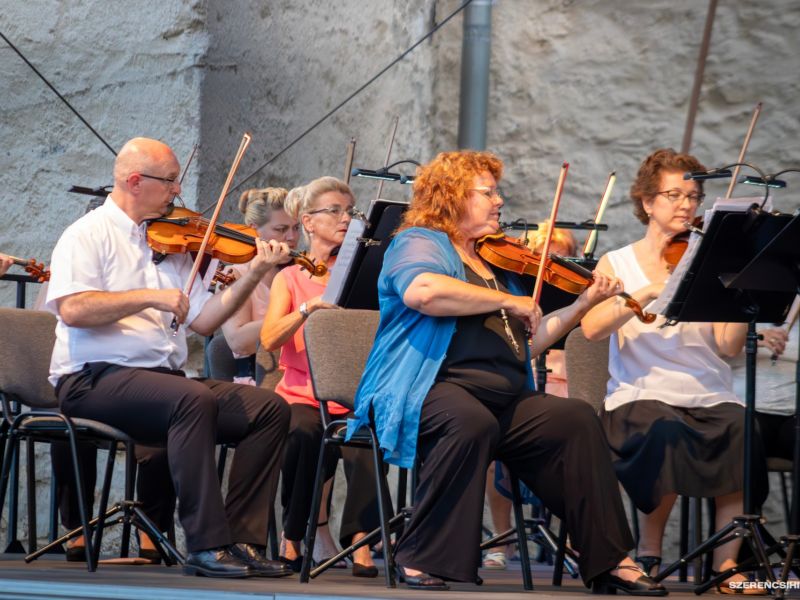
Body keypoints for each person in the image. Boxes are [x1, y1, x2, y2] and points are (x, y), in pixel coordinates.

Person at [351, 150, 665, 594]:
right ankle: (420, 554)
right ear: (453, 196)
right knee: (469, 420)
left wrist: (581, 304)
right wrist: (506, 301)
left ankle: (611, 557)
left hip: (503, 394)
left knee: (574, 418)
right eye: (488, 192)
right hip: (430, 387)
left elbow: (526, 345)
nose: (499, 201)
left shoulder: (497, 261)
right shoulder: (420, 241)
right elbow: (422, 291)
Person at [46, 137, 293, 579]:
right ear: (134, 181)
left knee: (269, 409)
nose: (177, 191)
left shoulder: (173, 243)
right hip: (93, 380)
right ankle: (205, 545)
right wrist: (149, 297)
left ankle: (243, 541)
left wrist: (254, 271)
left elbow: (204, 320)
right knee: (190, 398)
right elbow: (74, 309)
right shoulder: (86, 234)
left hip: (161, 381)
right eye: (170, 181)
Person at [581, 148, 767, 592]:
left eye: (694, 196)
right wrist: (645, 293)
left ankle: (726, 565)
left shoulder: (711, 263)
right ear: (647, 203)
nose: (686, 204)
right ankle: (649, 551)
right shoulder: (617, 263)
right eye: (674, 195)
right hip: (639, 394)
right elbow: (590, 328)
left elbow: (725, 348)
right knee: (661, 428)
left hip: (707, 392)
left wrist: (740, 295)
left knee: (743, 428)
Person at [260, 176, 382, 578]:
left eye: (350, 211)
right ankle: (293, 537)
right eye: (335, 211)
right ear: (308, 222)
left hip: (354, 395)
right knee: (303, 434)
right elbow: (270, 336)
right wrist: (308, 308)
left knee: (370, 436)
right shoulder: (289, 278)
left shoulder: (363, 279)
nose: (345, 218)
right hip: (301, 394)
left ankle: (362, 539)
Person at [483, 221, 577, 570]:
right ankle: (503, 537)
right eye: (543, 257)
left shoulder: (573, 299)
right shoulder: (512, 293)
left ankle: (571, 538)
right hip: (523, 385)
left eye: (560, 257)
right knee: (498, 449)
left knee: (572, 430)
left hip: (562, 387)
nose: (550, 263)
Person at [221, 187, 301, 385]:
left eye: (296, 228)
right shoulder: (237, 274)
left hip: (301, 374)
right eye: (281, 229)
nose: (292, 237)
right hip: (259, 378)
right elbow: (237, 340)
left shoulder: (302, 269)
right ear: (253, 228)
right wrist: (299, 315)